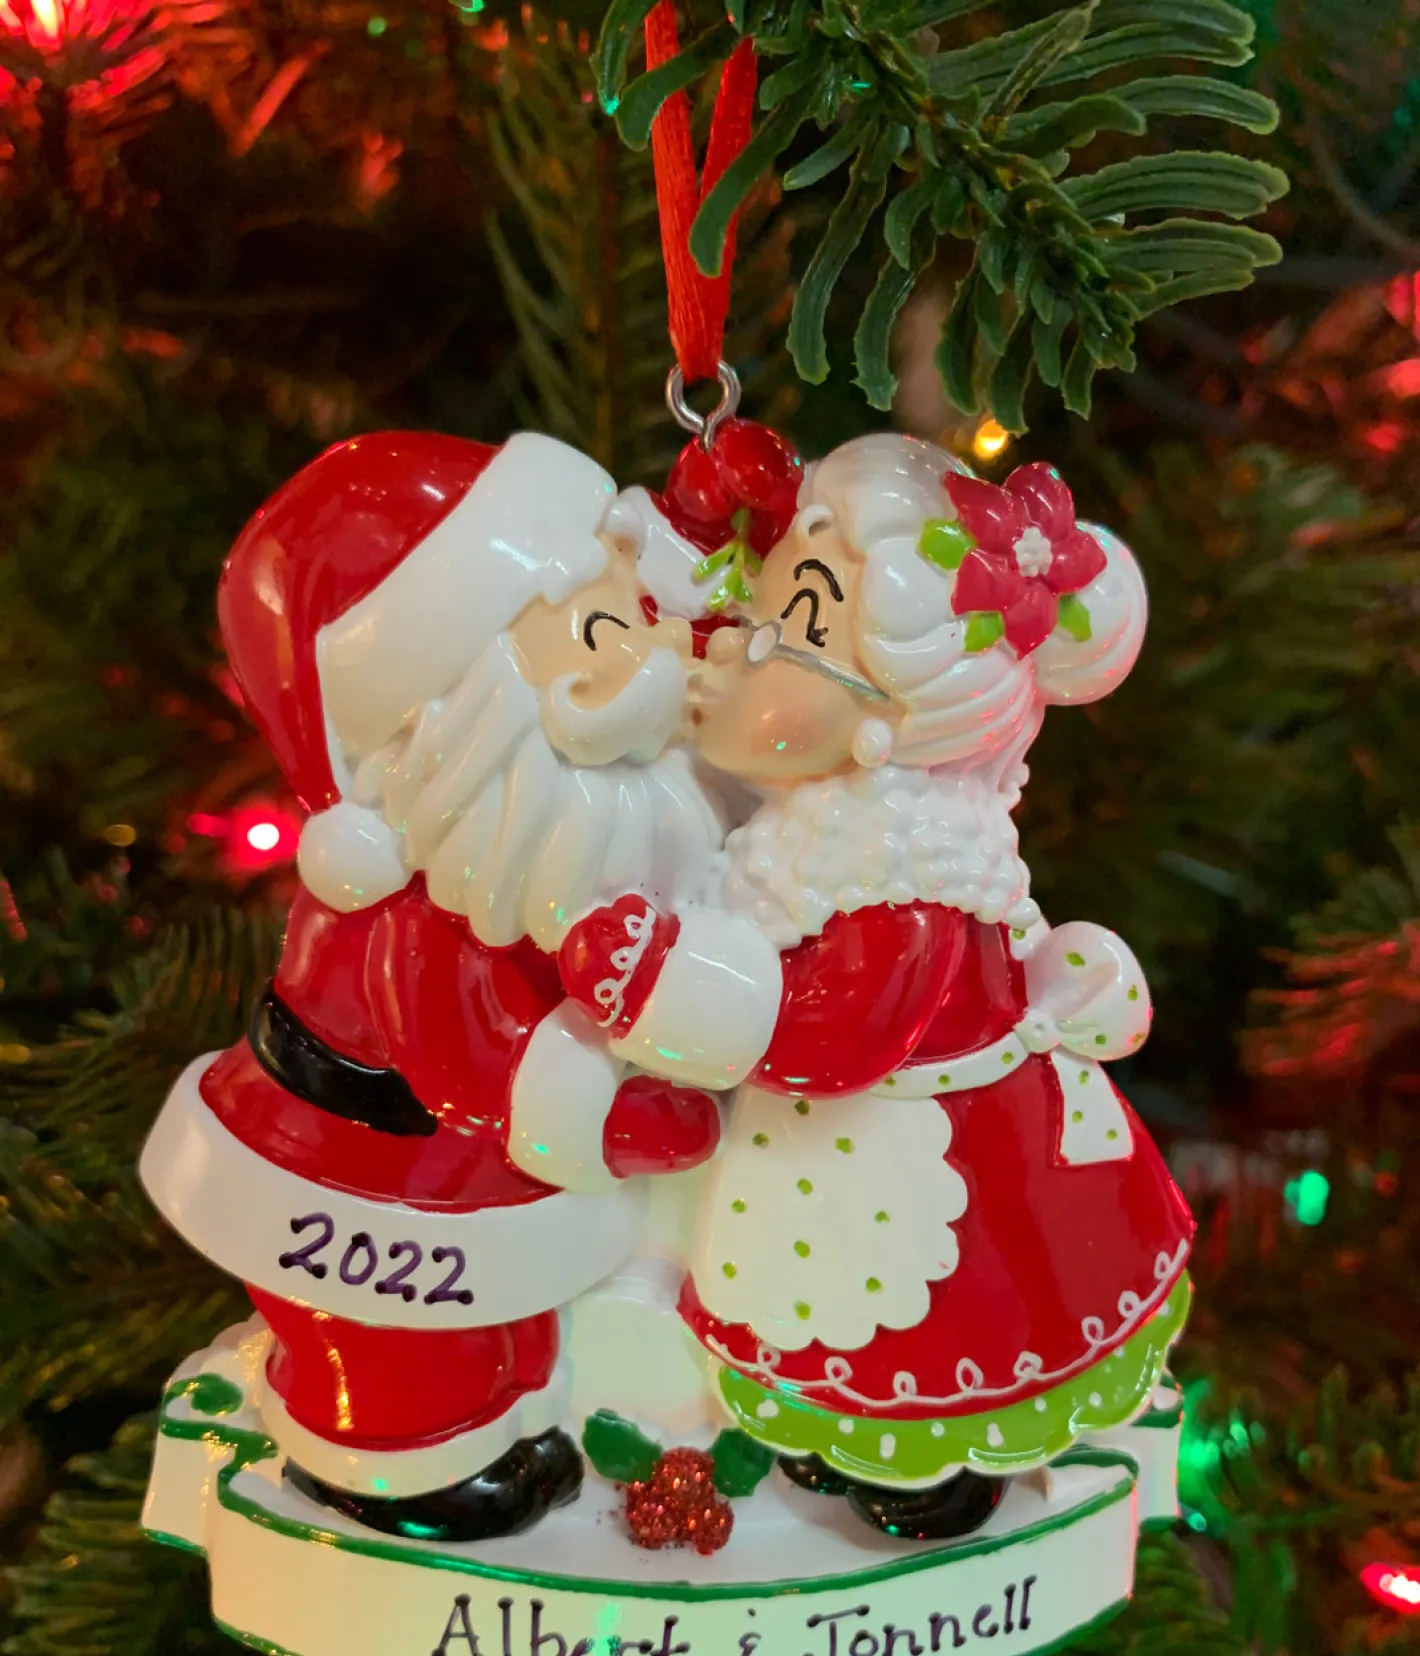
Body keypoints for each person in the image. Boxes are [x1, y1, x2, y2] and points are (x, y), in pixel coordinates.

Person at [559, 431, 1194, 1540]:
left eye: (792, 630)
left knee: (912, 1319)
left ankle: (920, 1467)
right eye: (758, 609)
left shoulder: (897, 883)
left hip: (900, 1160)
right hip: (844, 1151)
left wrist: (653, 980)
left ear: (879, 730)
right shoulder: (818, 839)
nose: (737, 645)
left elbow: (825, 1038)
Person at [141, 430, 726, 1542]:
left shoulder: (546, 838)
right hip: (373, 1187)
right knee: (401, 1350)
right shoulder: (433, 902)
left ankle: (496, 1421)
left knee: (511, 1325)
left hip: (463, 1180)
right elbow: (477, 1058)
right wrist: (624, 1119)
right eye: (605, 631)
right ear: (455, 704)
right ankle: (395, 1470)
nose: (651, 658)